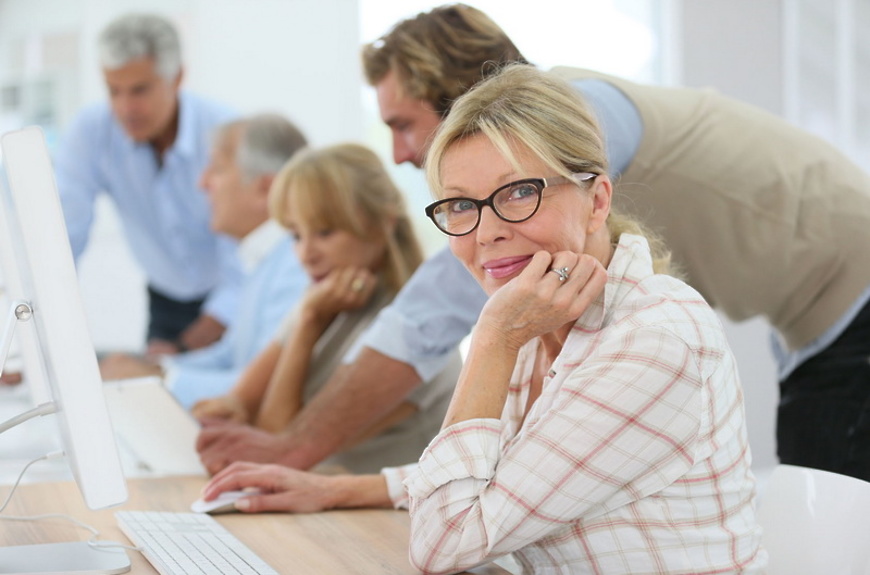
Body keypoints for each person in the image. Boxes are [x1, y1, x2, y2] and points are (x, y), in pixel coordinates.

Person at [201, 2, 870, 483]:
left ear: (460, 96)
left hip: (854, 292)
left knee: (830, 500)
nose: (400, 152)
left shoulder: (573, 119)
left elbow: (434, 308)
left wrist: (294, 449)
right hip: (812, 312)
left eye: (403, 124)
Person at [200, 65, 767, 574]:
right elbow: (506, 471)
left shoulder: (651, 339)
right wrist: (334, 490)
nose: (487, 231)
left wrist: (494, 338)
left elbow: (445, 542)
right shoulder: (543, 313)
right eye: (461, 205)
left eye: (519, 192)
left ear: (597, 201)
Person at [195, 143, 461, 473]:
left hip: (385, 507)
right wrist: (228, 409)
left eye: (324, 232)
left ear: (381, 224)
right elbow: (239, 402)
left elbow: (278, 445)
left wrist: (307, 325)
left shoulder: (419, 335)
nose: (306, 255)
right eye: (296, 235)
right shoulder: (324, 302)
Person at [54, 13, 242, 356]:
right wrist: (41, 337)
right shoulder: (92, 132)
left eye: (140, 90)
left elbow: (244, 262)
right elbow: (64, 236)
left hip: (233, 299)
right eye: (114, 91)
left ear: (177, 77)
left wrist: (184, 348)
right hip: (164, 298)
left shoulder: (224, 132)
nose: (126, 108)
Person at [99, 114, 309, 408]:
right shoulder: (266, 260)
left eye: (218, 169)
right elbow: (231, 356)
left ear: (265, 189)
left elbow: (267, 385)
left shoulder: (297, 264)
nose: (202, 183)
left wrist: (158, 379)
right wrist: (157, 366)